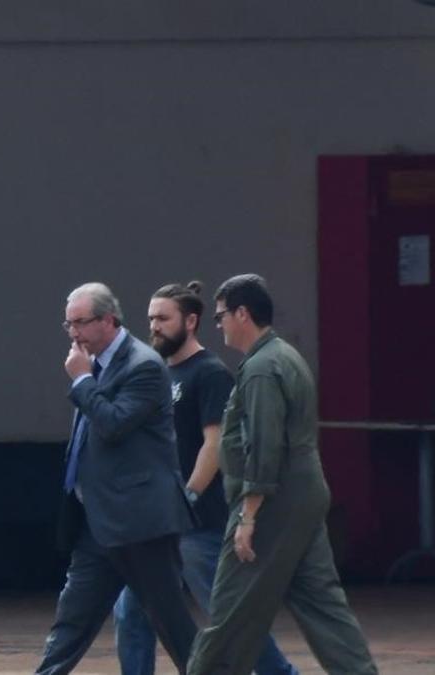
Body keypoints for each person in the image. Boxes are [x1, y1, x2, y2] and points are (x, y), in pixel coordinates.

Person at [188, 274, 377, 675]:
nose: (218, 323)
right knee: (322, 604)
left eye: (221, 315)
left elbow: (264, 445)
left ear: (243, 313)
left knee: (231, 607)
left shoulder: (260, 368)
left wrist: (247, 515)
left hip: (272, 501)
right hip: (303, 495)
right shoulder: (284, 356)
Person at [113, 282, 297, 675]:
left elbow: (214, 444)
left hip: (197, 522)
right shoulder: (155, 371)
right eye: (150, 318)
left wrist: (188, 496)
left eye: (163, 318)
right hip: (156, 522)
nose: (154, 326)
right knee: (132, 613)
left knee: (229, 616)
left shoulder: (209, 373)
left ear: (191, 321)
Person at [36, 282, 197, 675]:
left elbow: (113, 424)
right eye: (68, 324)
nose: (73, 333)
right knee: (72, 621)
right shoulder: (94, 363)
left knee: (172, 624)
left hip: (140, 523)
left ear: (108, 320)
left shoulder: (142, 365)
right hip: (97, 521)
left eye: (81, 323)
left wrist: (81, 382)